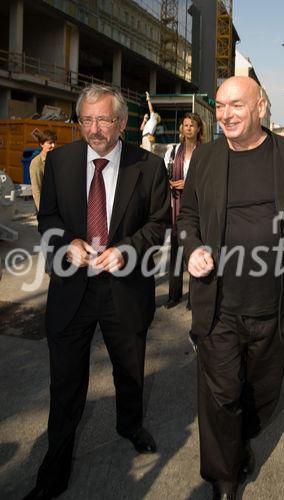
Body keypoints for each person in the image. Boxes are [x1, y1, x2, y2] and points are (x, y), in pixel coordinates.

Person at [177, 76, 284, 500]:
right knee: (220, 395)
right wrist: (190, 247)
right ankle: (223, 477)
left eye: (236, 105)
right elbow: (187, 215)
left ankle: (240, 439)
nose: (225, 114)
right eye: (221, 107)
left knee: (262, 396)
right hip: (219, 306)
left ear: (260, 107)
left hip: (277, 305)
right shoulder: (206, 158)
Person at [23, 84, 170, 500]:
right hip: (72, 290)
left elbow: (158, 223)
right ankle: (54, 471)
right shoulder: (60, 162)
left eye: (104, 119)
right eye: (86, 119)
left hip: (124, 288)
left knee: (130, 370)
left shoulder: (149, 166)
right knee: (66, 385)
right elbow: (47, 216)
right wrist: (66, 242)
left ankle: (130, 425)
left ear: (122, 122)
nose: (94, 129)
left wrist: (129, 250)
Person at [164, 112, 204, 309]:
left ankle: (193, 298)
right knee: (175, 254)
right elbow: (164, 176)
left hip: (198, 209)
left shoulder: (205, 152)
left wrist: (187, 185)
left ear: (198, 129)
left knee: (193, 252)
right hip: (176, 208)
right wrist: (170, 183)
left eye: (192, 125)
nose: (188, 128)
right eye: (185, 125)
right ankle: (174, 294)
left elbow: (208, 182)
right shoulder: (173, 151)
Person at [29, 129, 57, 211]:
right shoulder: (36, 163)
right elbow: (36, 190)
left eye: (55, 142)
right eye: (50, 143)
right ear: (41, 144)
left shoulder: (57, 159)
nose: (53, 145)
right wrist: (42, 210)